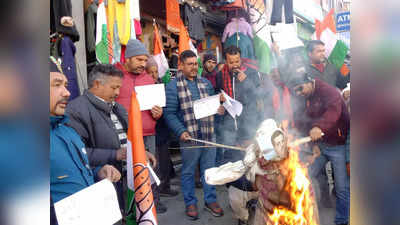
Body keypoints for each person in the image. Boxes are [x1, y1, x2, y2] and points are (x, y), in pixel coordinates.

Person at [65, 64, 157, 214]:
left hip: (127, 182)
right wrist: (115, 154)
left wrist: (141, 152)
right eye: (114, 88)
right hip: (102, 185)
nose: (118, 92)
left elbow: (130, 138)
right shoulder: (76, 110)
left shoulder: (118, 108)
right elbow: (76, 153)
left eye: (119, 87)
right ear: (97, 84)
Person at [205, 119, 319, 225]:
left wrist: (309, 156)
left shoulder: (280, 150)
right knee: (236, 196)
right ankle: (243, 217)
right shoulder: (246, 155)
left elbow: (299, 162)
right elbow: (232, 178)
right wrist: (252, 183)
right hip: (255, 191)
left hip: (281, 197)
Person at [50, 57, 121, 204]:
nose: (67, 93)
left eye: (65, 85)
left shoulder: (66, 131)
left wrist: (99, 172)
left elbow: (78, 169)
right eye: (57, 85)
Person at [164, 50, 225, 220]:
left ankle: (210, 200)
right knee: (188, 172)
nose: (194, 67)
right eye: (189, 64)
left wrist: (218, 109)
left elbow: (212, 105)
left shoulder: (205, 83)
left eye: (195, 64)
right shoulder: (173, 86)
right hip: (189, 136)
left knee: (209, 170)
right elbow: (169, 113)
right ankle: (190, 202)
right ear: (181, 65)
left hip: (208, 134)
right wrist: (180, 131)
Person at [287, 72, 350, 225]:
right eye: (297, 91)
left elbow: (333, 113)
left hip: (339, 145)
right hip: (320, 145)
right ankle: (306, 212)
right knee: (304, 175)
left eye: (301, 89)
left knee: (342, 187)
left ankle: (342, 220)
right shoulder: (303, 96)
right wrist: (312, 144)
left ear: (309, 82)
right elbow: (303, 119)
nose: (300, 93)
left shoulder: (329, 91)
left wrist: (318, 127)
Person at [114, 39, 166, 213]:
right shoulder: (115, 75)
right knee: (127, 171)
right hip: (123, 134)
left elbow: (157, 111)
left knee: (150, 168)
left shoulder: (149, 80)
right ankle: (127, 208)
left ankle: (152, 203)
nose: (143, 64)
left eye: (145, 60)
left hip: (147, 133)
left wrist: (158, 114)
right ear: (127, 58)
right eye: (139, 60)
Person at [145, 58, 179, 197]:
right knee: (155, 163)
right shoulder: (144, 88)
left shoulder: (162, 85)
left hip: (163, 128)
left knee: (165, 161)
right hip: (151, 131)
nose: (153, 75)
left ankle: (165, 187)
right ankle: (156, 193)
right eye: (150, 72)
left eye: (155, 72)